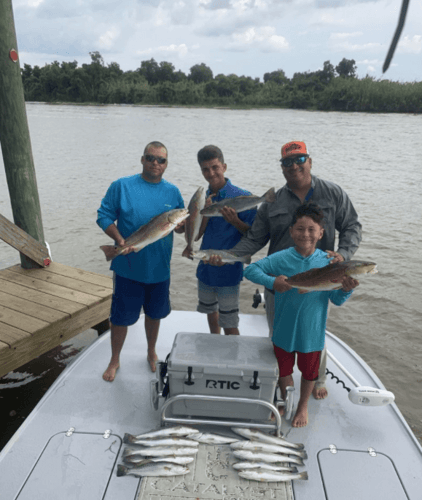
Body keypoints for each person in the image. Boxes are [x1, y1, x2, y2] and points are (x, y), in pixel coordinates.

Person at [212, 140, 362, 399]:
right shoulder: (272, 202)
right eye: (287, 162)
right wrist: (226, 257)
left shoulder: (334, 193)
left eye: (300, 159)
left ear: (310, 161)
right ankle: (284, 388)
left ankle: (317, 378)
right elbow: (254, 239)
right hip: (279, 281)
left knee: (315, 332)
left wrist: (343, 255)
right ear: (282, 168)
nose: (294, 166)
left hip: (320, 278)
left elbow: (352, 227)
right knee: (279, 335)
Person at [244, 202, 359, 427]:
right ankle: (286, 400)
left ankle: (303, 406)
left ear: (321, 233)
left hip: (312, 334)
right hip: (283, 330)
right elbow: (250, 269)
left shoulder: (330, 263)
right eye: (299, 229)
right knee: (284, 370)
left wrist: (347, 289)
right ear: (291, 231)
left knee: (309, 374)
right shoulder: (280, 258)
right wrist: (272, 281)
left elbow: (335, 299)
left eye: (311, 230)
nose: (305, 234)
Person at [96, 141, 184, 382]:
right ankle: (115, 359)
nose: (156, 163)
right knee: (120, 318)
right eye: (151, 158)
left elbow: (178, 228)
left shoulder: (173, 192)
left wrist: (182, 226)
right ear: (142, 159)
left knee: (155, 315)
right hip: (128, 268)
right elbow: (103, 215)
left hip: (159, 270)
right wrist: (119, 240)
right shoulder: (121, 186)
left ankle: (151, 351)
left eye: (161, 160)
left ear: (167, 164)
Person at [195, 145, 257, 335]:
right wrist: (203, 212)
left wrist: (235, 221)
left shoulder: (243, 197)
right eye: (205, 169)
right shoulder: (202, 197)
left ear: (224, 166)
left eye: (215, 167)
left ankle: (233, 359)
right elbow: (197, 235)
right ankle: (215, 343)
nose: (211, 173)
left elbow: (253, 236)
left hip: (229, 270)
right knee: (210, 311)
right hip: (206, 267)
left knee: (230, 322)